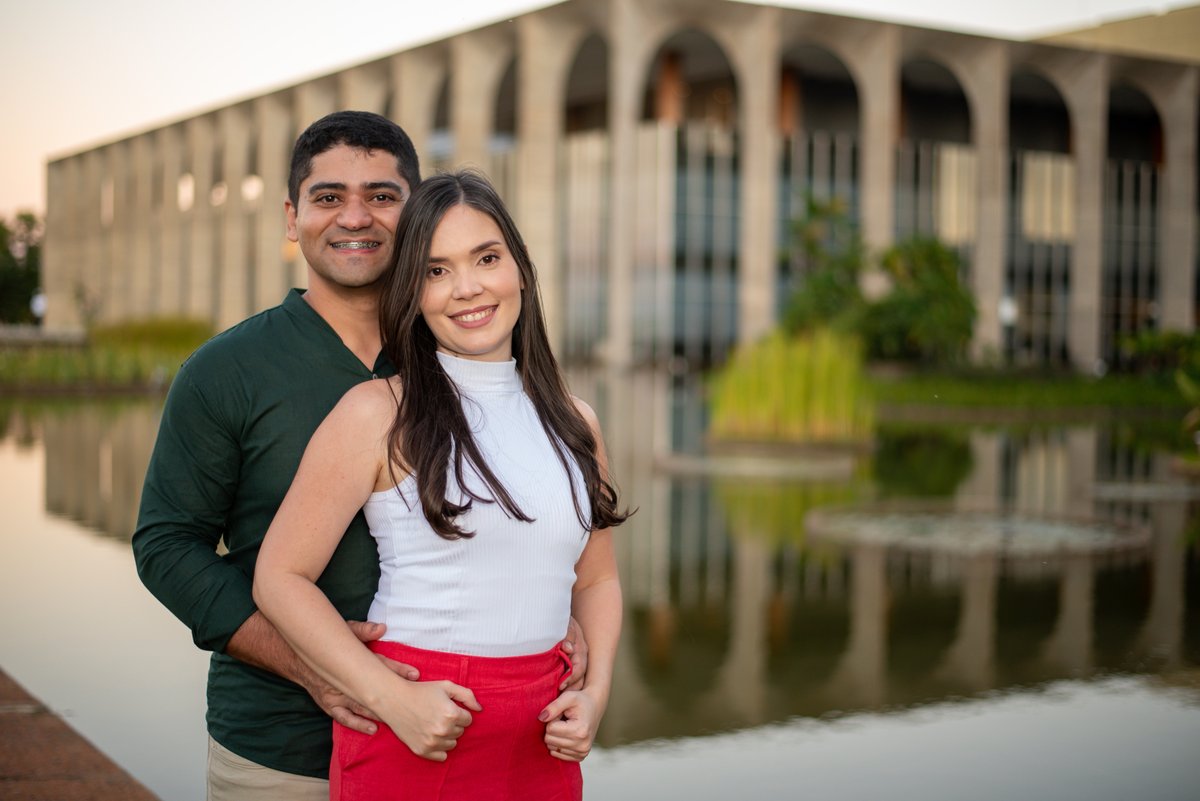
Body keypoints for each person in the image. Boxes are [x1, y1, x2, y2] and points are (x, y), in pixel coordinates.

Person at [132, 112, 587, 800]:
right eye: (327, 197)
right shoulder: (227, 369)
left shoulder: (462, 353)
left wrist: (557, 611)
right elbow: (165, 546)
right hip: (278, 745)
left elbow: (531, 511)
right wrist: (313, 664)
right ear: (292, 217)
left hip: (460, 745)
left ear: (415, 216)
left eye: (381, 195)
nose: (355, 217)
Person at [253, 169, 629, 800]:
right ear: (413, 293)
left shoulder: (576, 421)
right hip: (421, 725)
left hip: (543, 735)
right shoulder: (378, 413)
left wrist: (595, 696)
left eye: (487, 257)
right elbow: (279, 578)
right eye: (436, 270)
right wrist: (391, 699)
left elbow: (597, 580)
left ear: (519, 268)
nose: (468, 288)